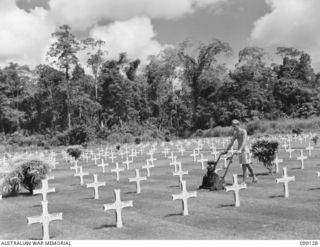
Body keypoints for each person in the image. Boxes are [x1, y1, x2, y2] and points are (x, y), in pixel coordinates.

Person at [222, 119, 258, 184]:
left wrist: (240, 149)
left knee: (244, 165)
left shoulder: (243, 131)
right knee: (248, 164)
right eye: (232, 126)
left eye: (234, 126)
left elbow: (244, 141)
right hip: (240, 151)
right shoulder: (235, 133)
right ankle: (254, 177)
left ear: (238, 125)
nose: (233, 127)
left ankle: (244, 181)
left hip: (244, 150)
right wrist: (226, 151)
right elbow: (231, 142)